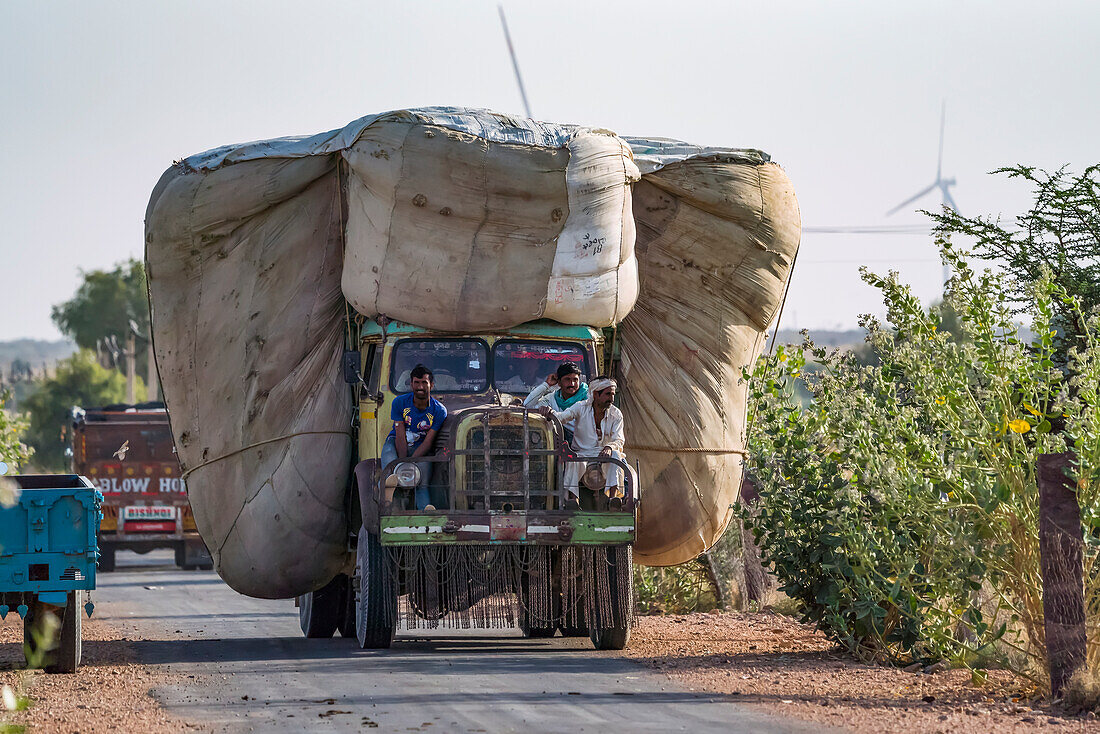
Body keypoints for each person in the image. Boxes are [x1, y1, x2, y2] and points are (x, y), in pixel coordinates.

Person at [537, 376, 625, 502]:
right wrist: (549, 412)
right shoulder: (580, 407)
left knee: (616, 455)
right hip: (582, 453)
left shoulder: (616, 414)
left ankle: (613, 499)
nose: (611, 399)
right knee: (573, 459)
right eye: (607, 394)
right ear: (595, 394)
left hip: (604, 454)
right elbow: (562, 418)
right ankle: (573, 500)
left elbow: (619, 439)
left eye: (612, 394)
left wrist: (609, 447)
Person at [381, 364, 447, 510]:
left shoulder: (439, 411)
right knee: (389, 468)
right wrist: (402, 463)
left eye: (424, 382)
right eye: (417, 382)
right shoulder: (399, 403)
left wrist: (412, 462)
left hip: (421, 447)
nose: (420, 387)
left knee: (422, 483)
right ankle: (386, 504)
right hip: (397, 443)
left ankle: (426, 512)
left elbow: (429, 440)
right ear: (411, 384)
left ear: (432, 385)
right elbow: (399, 435)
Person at [523, 362, 588, 443]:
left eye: (575, 380)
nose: (572, 384)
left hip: (585, 445)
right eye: (567, 379)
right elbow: (527, 404)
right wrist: (546, 384)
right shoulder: (551, 398)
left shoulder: (589, 398)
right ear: (559, 383)